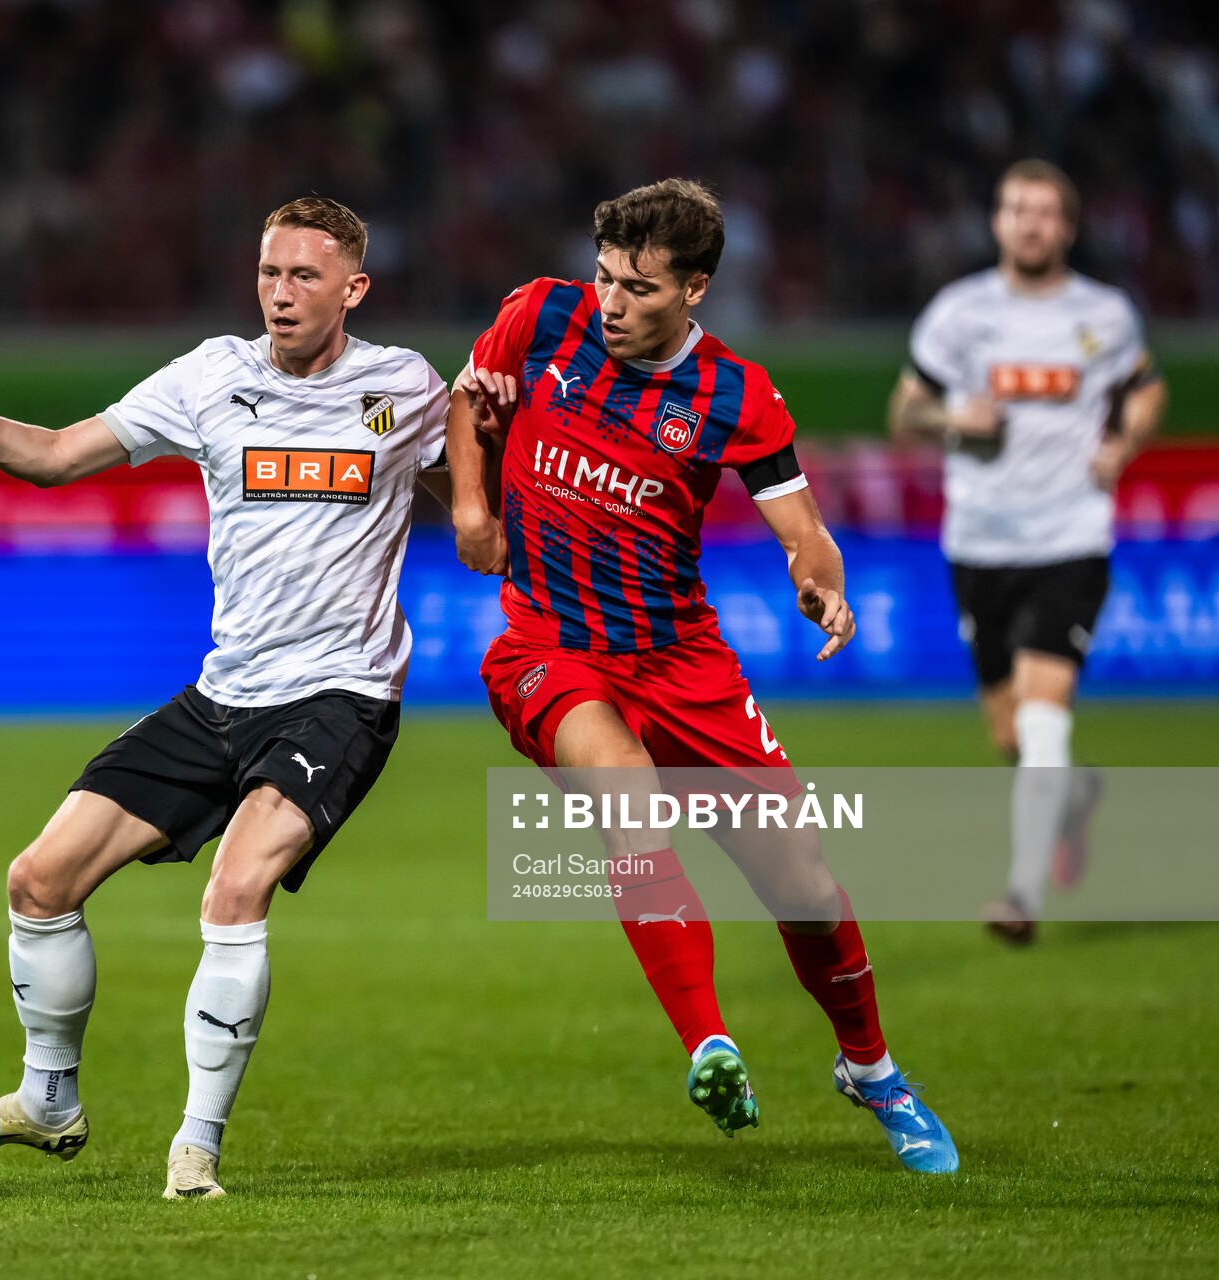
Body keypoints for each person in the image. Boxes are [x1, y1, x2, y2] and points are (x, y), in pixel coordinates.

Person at [0, 196, 449, 1198]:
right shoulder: (210, 376)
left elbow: (477, 494)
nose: (281, 293)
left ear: (353, 289)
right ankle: (50, 1099)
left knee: (235, 890)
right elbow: (56, 456)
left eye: (305, 276)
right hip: (223, 692)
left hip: (341, 695)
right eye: (270, 272)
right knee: (39, 879)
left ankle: (195, 1145)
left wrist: (492, 504)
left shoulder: (405, 387)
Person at [447, 179, 958, 1173]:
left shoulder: (736, 395)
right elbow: (469, 397)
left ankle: (872, 1068)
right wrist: (472, 508)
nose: (611, 302)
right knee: (626, 802)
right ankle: (708, 1044)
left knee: (804, 883)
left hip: (683, 663)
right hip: (549, 647)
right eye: (605, 277)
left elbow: (803, 530)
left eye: (638, 288)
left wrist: (822, 587)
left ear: (695, 290)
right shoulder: (542, 316)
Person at [888, 159, 1166, 945]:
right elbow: (904, 412)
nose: (1029, 223)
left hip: (1071, 536)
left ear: (1067, 228)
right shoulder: (959, 312)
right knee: (1010, 734)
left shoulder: (1104, 315)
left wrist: (1124, 443)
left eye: (1044, 212)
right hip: (979, 542)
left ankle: (1020, 894)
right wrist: (954, 421)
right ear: (997, 222)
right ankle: (1072, 796)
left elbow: (1147, 388)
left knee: (1044, 719)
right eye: (1016, 209)